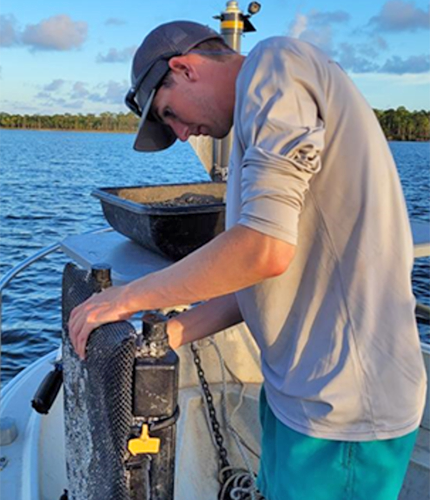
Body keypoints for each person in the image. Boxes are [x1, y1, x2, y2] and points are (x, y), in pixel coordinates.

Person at [69, 21, 427, 500]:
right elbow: (256, 279)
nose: (178, 134)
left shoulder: (275, 66)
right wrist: (164, 335)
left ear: (184, 68)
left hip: (345, 412)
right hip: (296, 396)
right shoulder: (255, 121)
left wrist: (124, 298)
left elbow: (262, 249)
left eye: (169, 113)